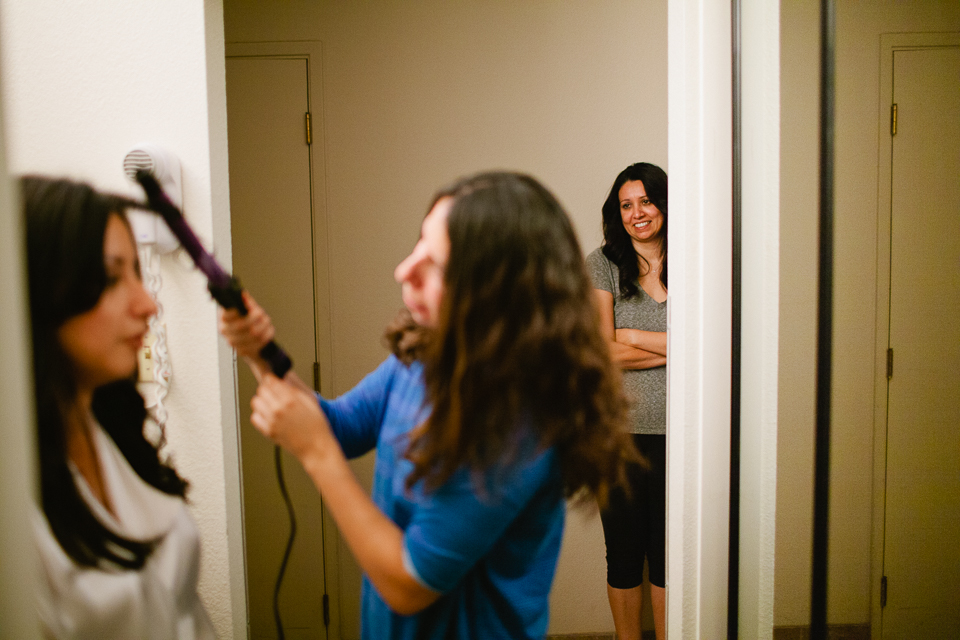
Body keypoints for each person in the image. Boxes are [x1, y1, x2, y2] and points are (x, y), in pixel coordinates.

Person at [220, 171, 636, 640]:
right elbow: (337, 426)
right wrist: (259, 353)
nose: (403, 269)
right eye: (419, 242)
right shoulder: (424, 358)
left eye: (434, 263)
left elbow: (409, 585)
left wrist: (316, 455)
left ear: (496, 289)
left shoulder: (520, 422)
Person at [23, 176, 216, 639]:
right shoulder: (19, 499)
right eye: (112, 279)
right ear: (38, 291)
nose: (147, 304)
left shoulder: (113, 432)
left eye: (138, 273)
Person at [586, 162, 668, 640]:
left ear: (662, 204)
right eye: (627, 205)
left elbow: (712, 343)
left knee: (666, 552)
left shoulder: (694, 258)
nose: (638, 213)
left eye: (646, 201)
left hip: (682, 435)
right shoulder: (602, 263)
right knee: (622, 551)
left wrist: (631, 333)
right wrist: (679, 347)